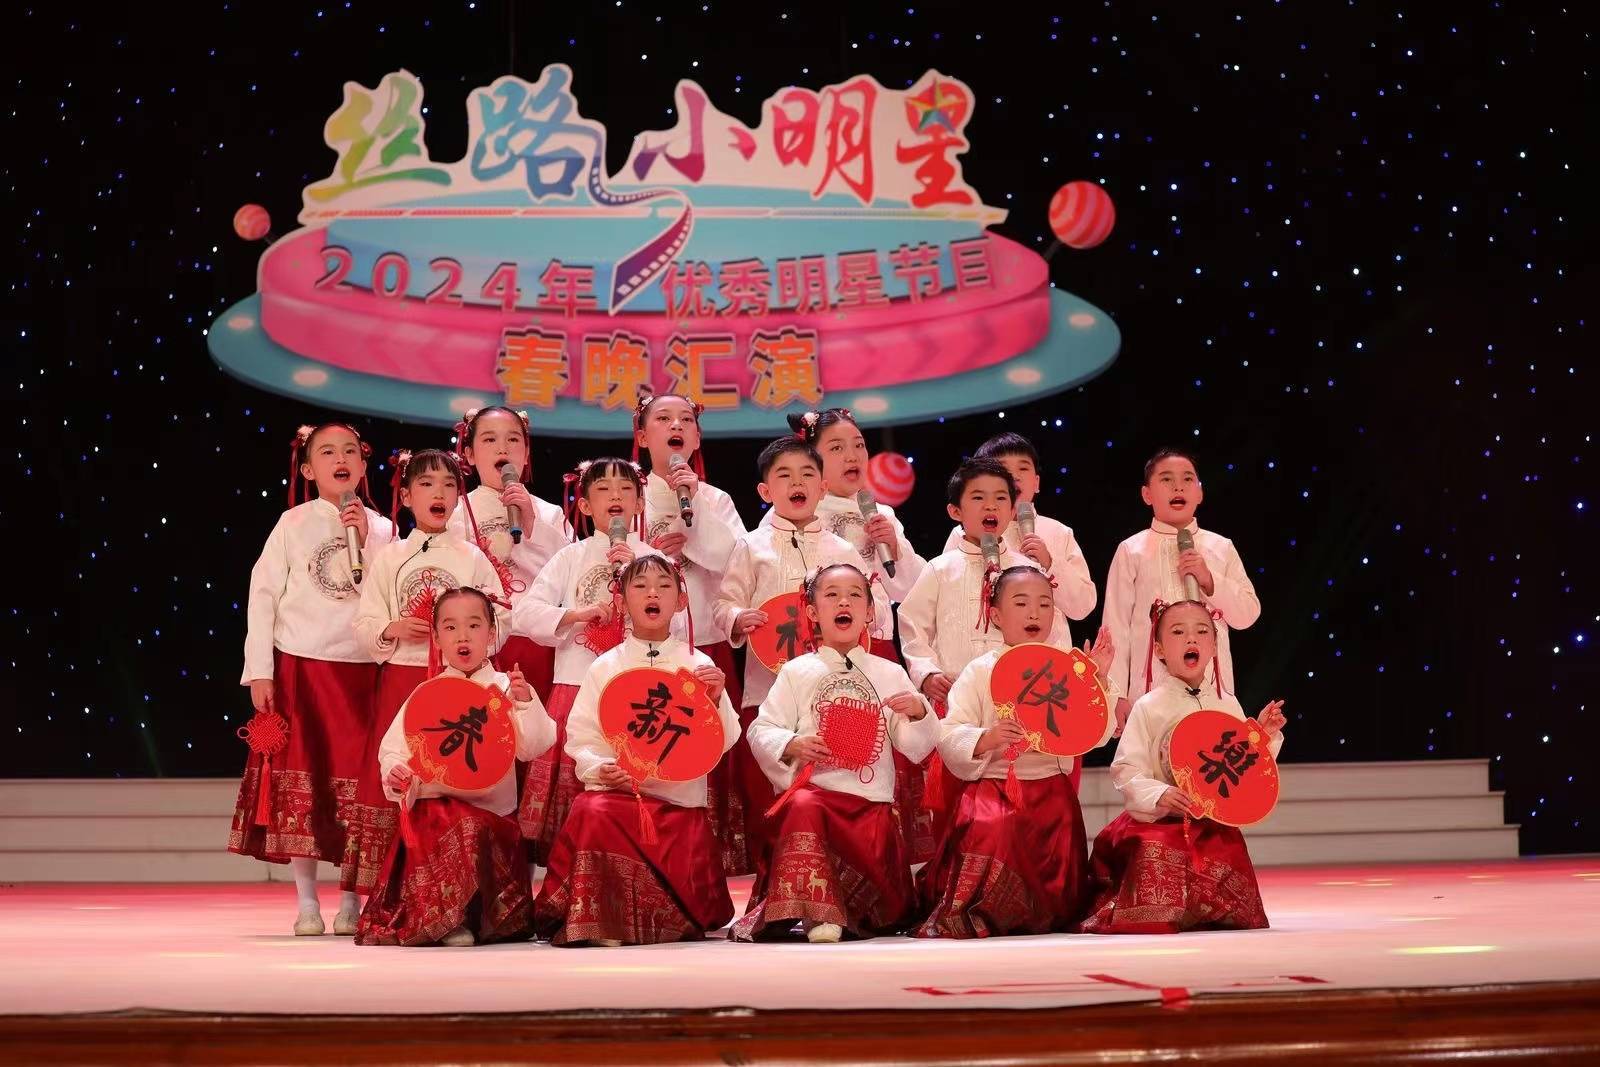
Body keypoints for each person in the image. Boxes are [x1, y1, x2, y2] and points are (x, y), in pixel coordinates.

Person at [229, 421, 395, 936]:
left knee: (359, 787)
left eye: (349, 451)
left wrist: (368, 541)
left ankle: (350, 901)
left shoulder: (384, 530)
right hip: (302, 667)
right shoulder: (292, 523)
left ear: (363, 465)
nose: (340, 459)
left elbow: (390, 592)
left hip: (365, 673)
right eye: (327, 452)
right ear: (307, 469)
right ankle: (305, 902)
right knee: (305, 779)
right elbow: (262, 595)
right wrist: (260, 671)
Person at [534, 555, 740, 945]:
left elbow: (725, 741)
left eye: (664, 586)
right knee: (591, 809)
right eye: (640, 586)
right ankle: (601, 918)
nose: (652, 594)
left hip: (677, 802)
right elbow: (582, 737)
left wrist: (715, 699)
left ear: (681, 600)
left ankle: (642, 918)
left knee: (598, 811)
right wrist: (601, 768)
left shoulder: (699, 664)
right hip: (622, 796)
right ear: (622, 600)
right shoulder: (604, 667)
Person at [734, 563, 937, 943]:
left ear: (870, 612)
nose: (844, 602)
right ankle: (818, 913)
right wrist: (791, 744)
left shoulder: (889, 672)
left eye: (855, 595)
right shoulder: (796, 671)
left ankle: (848, 909)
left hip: (869, 804)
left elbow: (916, 746)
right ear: (812, 612)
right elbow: (762, 729)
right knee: (804, 805)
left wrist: (919, 712)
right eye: (832, 595)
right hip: (816, 796)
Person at [912, 567, 1112, 938]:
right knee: (994, 827)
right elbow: (949, 733)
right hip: (996, 786)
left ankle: (1049, 909)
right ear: (996, 615)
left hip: (1050, 789)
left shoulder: (1066, 667)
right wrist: (986, 738)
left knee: (1059, 831)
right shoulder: (980, 670)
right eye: (1021, 603)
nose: (1034, 613)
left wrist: (1097, 682)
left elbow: (1096, 736)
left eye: (1045, 604)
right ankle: (986, 910)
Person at [344, 449, 507, 897]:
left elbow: (502, 617)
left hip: (460, 687)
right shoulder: (390, 557)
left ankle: (451, 889)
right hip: (403, 679)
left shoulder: (472, 557)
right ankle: (383, 892)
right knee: (395, 774)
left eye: (449, 485)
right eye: (427, 484)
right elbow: (363, 624)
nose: (439, 493)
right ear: (405, 496)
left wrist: (462, 639)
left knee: (453, 779)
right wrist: (393, 628)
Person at [713, 436, 878, 875]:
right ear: (765, 490)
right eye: (783, 476)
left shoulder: (842, 551)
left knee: (830, 785)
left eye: (807, 474)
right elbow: (724, 603)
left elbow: (873, 608)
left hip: (833, 691)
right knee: (768, 790)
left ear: (822, 487)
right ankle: (776, 883)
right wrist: (738, 618)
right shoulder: (752, 546)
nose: (796, 483)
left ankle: (831, 877)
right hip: (767, 688)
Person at [357, 589, 555, 946]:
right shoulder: (427, 693)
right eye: (450, 627)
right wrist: (398, 774)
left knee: (470, 824)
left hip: (492, 817)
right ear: (436, 638)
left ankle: (469, 916)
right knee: (441, 817)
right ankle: (446, 919)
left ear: (491, 633)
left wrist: (525, 703)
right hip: (437, 811)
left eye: (474, 625)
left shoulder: (507, 688)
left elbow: (534, 746)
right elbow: (394, 752)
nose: (463, 636)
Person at [1080, 599, 1286, 934]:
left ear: (1214, 646)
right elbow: (1127, 769)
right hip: (1163, 819)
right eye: (1178, 632)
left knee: (1228, 855)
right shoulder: (1149, 706)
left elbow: (1241, 768)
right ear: (1159, 650)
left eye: (1202, 631)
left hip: (1209, 820)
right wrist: (1160, 794)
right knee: (1153, 851)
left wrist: (1263, 735)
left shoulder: (1227, 702)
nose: (1191, 638)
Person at [512, 458, 661, 865]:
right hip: (576, 684)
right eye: (603, 490)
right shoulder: (570, 557)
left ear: (640, 503)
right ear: (584, 505)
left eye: (625, 489)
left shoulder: (653, 560)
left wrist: (635, 575)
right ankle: (569, 874)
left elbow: (678, 624)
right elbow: (526, 613)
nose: (615, 496)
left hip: (638, 688)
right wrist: (576, 615)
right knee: (576, 791)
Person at [1102, 448, 1260, 735]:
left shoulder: (1221, 547)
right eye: (1166, 479)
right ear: (1147, 494)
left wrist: (1209, 580)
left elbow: (1248, 614)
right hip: (1150, 689)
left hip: (1211, 686)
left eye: (1188, 479)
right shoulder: (1131, 550)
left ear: (1200, 493)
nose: (1178, 487)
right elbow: (1116, 625)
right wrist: (1116, 694)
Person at [448, 405, 569, 699]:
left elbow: (568, 578)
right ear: (469, 454)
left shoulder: (549, 513)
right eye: (489, 439)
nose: (502, 447)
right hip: (476, 641)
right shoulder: (456, 512)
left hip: (536, 641)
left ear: (526, 454)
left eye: (513, 439)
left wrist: (532, 524)